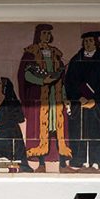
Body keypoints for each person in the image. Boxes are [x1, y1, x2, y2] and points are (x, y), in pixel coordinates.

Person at [17, 24, 72, 172]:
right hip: (40, 99)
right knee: (42, 130)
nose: (47, 36)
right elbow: (26, 75)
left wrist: (65, 97)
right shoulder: (31, 53)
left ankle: (62, 165)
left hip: (56, 97)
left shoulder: (55, 54)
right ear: (38, 35)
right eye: (44, 33)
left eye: (49, 33)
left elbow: (62, 79)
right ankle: (40, 164)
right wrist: (43, 81)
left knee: (56, 129)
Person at [64, 30, 100, 169]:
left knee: (96, 132)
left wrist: (95, 101)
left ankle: (96, 161)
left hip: (96, 105)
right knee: (78, 132)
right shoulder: (76, 60)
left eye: (91, 41)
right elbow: (69, 82)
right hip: (78, 103)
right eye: (86, 41)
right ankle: (78, 161)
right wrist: (77, 97)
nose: (88, 44)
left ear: (96, 42)